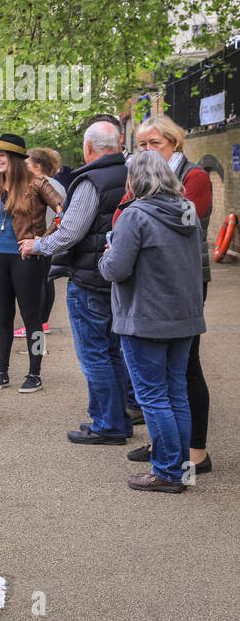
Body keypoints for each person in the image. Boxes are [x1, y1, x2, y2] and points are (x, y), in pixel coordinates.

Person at [97, 152, 206, 493]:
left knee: (153, 397)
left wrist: (107, 250)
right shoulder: (188, 213)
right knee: (176, 394)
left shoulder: (135, 216)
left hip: (144, 319)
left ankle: (168, 472)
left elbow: (116, 269)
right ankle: (178, 466)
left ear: (135, 181)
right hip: (183, 318)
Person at [19, 120, 129, 445]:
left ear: (88, 147)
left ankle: (107, 424)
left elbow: (71, 231)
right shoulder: (130, 175)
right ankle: (117, 419)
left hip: (90, 278)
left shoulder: (91, 181)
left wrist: (36, 246)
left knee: (94, 354)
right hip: (118, 278)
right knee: (113, 352)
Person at [124, 115, 212, 474]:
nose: (148, 151)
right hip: (154, 279)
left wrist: (137, 213)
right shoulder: (148, 183)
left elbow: (183, 219)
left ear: (174, 143)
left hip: (184, 279)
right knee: (165, 377)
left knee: (186, 369)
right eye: (142, 145)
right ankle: (167, 447)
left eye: (155, 143)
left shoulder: (195, 177)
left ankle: (196, 453)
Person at [0, 134, 63, 393]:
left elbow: (61, 208)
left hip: (26, 258)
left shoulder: (36, 183)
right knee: (4, 316)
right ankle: (2, 371)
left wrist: (42, 240)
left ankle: (34, 373)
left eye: (2, 155)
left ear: (14, 159)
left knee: (31, 318)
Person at [13, 147, 65, 337]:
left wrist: (42, 238)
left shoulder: (40, 185)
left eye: (26, 164)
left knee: (37, 283)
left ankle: (35, 324)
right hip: (52, 240)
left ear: (37, 166)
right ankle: (42, 322)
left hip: (40, 239)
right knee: (46, 280)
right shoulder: (58, 185)